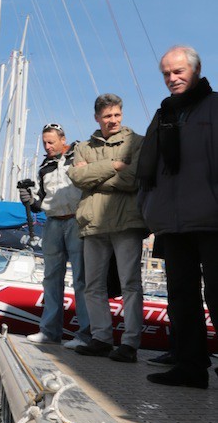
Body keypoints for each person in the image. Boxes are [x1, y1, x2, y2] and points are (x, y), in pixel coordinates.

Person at [138, 45, 218, 389]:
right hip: (172, 222)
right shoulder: (163, 114)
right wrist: (148, 208)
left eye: (179, 72)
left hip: (213, 219)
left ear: (196, 71)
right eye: (167, 74)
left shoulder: (215, 106)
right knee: (180, 297)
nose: (172, 78)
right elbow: (147, 167)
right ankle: (190, 367)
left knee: (217, 294)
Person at [68, 93, 146, 361]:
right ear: (97, 118)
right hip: (93, 224)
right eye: (107, 116)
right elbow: (77, 178)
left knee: (130, 284)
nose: (113, 120)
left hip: (127, 222)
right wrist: (113, 165)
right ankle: (101, 338)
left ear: (121, 114)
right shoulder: (82, 147)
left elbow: (134, 179)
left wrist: (94, 174)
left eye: (116, 115)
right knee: (93, 285)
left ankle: (130, 343)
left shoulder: (137, 143)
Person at [19, 124, 92, 349]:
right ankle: (50, 332)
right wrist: (30, 200)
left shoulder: (78, 155)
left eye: (51, 142)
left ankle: (86, 336)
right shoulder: (45, 168)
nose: (47, 147)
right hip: (52, 223)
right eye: (44, 143)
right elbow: (42, 202)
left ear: (63, 139)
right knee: (51, 278)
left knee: (81, 280)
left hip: (76, 221)